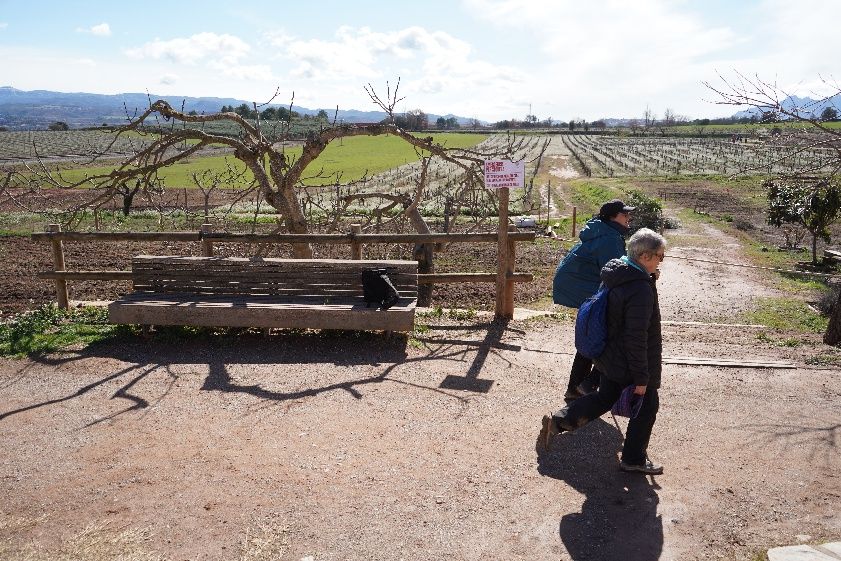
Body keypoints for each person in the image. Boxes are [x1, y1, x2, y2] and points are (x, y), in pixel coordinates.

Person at [541, 228, 667, 475]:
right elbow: (637, 336)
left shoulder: (619, 273)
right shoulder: (639, 288)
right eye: (659, 256)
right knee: (647, 405)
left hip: (610, 357)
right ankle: (633, 459)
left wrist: (649, 279)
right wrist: (642, 378)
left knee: (604, 397)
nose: (661, 261)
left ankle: (559, 420)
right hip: (629, 362)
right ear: (644, 256)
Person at [552, 199, 634, 401]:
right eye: (624, 215)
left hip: (583, 286)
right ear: (612, 217)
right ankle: (587, 384)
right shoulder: (609, 237)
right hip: (585, 288)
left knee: (595, 335)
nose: (628, 218)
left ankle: (579, 386)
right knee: (610, 335)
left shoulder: (605, 231)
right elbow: (616, 272)